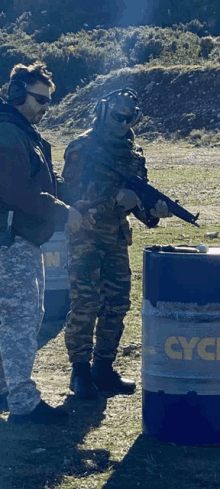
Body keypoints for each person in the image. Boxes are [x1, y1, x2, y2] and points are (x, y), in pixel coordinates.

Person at [62, 88, 172, 400]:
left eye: (130, 117)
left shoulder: (131, 153)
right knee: (86, 302)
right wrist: (113, 199)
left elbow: (139, 206)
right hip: (86, 234)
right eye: (118, 116)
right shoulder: (83, 147)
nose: (124, 122)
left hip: (116, 239)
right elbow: (70, 195)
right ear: (104, 111)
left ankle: (103, 369)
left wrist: (154, 212)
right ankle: (80, 371)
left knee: (117, 304)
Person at [0, 61, 90, 425]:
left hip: (19, 240)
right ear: (19, 94)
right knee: (20, 320)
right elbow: (18, 190)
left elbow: (45, 182)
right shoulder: (8, 134)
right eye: (40, 99)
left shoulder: (22, 133)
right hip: (10, 241)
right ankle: (22, 402)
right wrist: (63, 212)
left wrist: (75, 200)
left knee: (17, 318)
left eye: (49, 101)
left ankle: (7, 389)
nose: (46, 107)